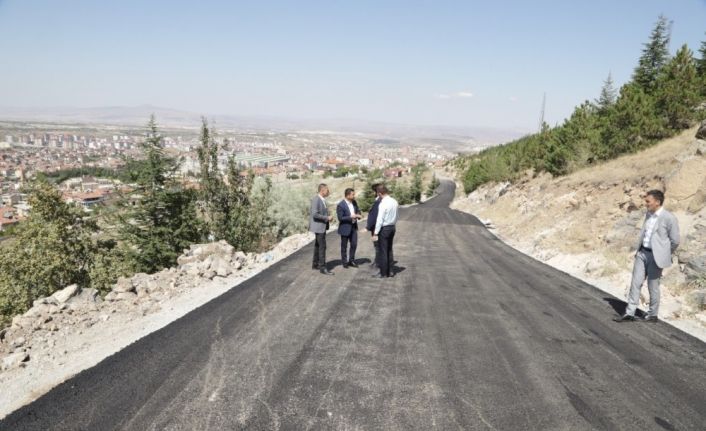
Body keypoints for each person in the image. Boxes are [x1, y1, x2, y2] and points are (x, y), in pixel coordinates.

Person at [614, 190, 680, 323]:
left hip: (656, 257)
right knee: (635, 283)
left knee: (652, 286)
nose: (646, 204)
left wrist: (663, 253)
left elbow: (675, 241)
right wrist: (639, 250)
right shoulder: (648, 214)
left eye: (648, 201)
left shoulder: (669, 218)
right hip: (642, 253)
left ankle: (653, 315)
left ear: (657, 202)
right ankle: (629, 313)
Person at [372, 185, 399, 278]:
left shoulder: (383, 204)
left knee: (383, 251)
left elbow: (380, 220)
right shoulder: (394, 201)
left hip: (384, 229)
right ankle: (390, 271)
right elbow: (397, 216)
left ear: (379, 193)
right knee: (389, 249)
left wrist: (375, 233)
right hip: (392, 227)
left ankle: (383, 273)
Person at [309, 183, 334, 275]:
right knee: (322, 246)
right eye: (327, 190)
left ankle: (315, 264)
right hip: (319, 227)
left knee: (318, 245)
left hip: (320, 226)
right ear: (322, 190)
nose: (328, 191)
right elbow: (315, 214)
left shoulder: (321, 199)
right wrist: (327, 218)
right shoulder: (316, 199)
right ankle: (322, 267)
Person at [337, 188, 362, 268]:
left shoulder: (354, 202)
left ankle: (351, 260)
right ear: (347, 195)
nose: (354, 196)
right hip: (345, 228)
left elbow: (358, 210)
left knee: (354, 244)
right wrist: (351, 216)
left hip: (353, 227)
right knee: (344, 246)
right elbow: (340, 218)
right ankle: (344, 262)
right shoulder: (341, 205)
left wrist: (358, 214)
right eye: (353, 194)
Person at [366, 183, 382, 269]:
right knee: (377, 245)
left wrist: (367, 227)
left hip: (376, 228)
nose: (372, 193)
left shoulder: (378, 201)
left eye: (373, 191)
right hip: (376, 228)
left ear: (376, 192)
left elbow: (374, 216)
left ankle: (377, 262)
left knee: (377, 245)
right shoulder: (379, 200)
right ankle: (377, 261)